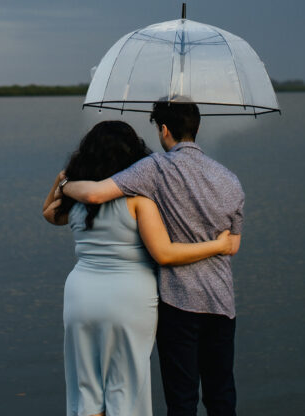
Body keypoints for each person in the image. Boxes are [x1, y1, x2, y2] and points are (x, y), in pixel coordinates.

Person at [59, 101, 245, 416]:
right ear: (196, 128)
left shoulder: (153, 168)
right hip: (220, 300)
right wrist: (217, 245)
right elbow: (233, 244)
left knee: (181, 399)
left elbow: (93, 195)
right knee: (221, 393)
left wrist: (65, 184)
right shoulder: (230, 179)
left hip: (178, 300)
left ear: (163, 130)